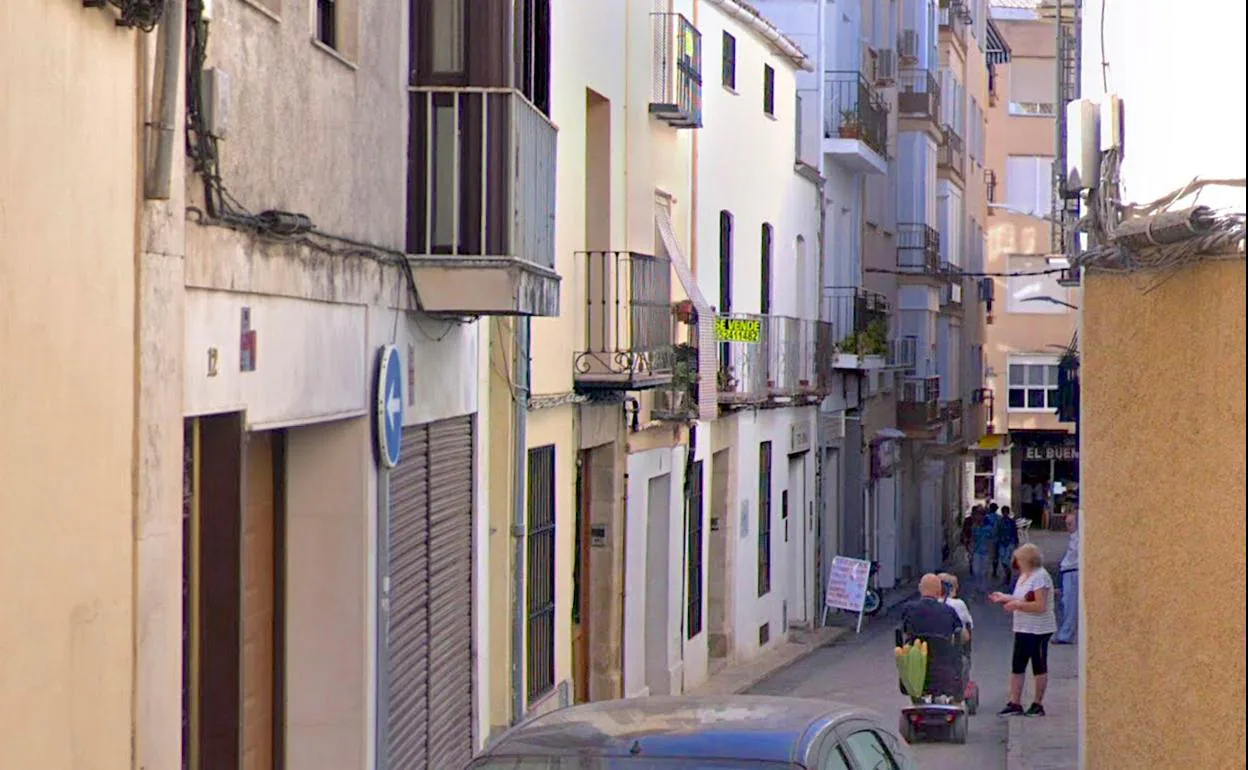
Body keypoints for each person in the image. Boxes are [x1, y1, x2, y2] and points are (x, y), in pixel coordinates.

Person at [990, 543, 1058, 717]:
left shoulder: (1040, 577)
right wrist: (1006, 598)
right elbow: (1020, 598)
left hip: (1039, 628)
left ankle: (1037, 703)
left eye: (1019, 560)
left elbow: (1040, 605)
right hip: (1022, 626)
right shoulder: (1023, 577)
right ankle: (1015, 702)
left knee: (1038, 664)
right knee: (1017, 665)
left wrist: (1016, 605)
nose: (1017, 563)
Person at [901, 574, 967, 700]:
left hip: (917, 664)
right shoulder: (949, 611)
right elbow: (962, 636)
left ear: (920, 588)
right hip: (944, 664)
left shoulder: (908, 609)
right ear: (939, 591)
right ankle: (957, 699)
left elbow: (904, 632)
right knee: (962, 660)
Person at [1054, 512, 1079, 644]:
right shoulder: (1073, 538)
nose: (1068, 527)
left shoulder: (1079, 539)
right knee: (1066, 603)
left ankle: (1066, 635)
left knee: (1070, 605)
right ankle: (1065, 632)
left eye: (1070, 524)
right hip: (1067, 571)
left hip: (1073, 571)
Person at [969, 509, 994, 600]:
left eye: (980, 515)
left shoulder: (989, 528)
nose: (978, 517)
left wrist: (992, 552)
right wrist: (971, 551)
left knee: (984, 571)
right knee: (976, 571)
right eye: (977, 515)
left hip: (986, 552)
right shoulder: (974, 527)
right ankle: (977, 586)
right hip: (977, 551)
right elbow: (973, 539)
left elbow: (992, 540)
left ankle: (983, 588)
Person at [995, 505, 1021, 588]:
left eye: (1007, 512)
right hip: (1002, 543)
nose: (1005, 514)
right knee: (1003, 560)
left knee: (1008, 559)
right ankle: (1007, 572)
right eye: (1004, 512)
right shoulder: (999, 522)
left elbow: (1014, 532)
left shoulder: (1011, 522)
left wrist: (1016, 542)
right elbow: (997, 532)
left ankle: (1008, 575)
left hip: (1010, 542)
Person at [984, 503, 1002, 579]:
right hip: (997, 538)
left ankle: (987, 571)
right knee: (996, 556)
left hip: (989, 539)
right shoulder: (999, 518)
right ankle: (994, 570)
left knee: (988, 555)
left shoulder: (986, 518)